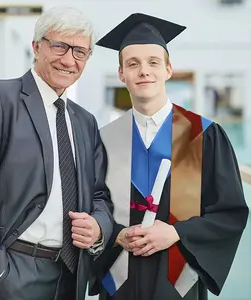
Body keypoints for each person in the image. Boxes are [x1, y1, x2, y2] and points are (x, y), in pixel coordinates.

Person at [0, 6, 113, 300]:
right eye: (59, 46)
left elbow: (99, 194)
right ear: (37, 47)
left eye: (80, 52)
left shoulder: (85, 122)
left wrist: (99, 227)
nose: (68, 60)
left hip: (69, 276)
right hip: (10, 271)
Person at [89, 13, 249, 300]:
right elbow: (91, 206)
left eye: (153, 62)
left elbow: (230, 213)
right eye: (133, 64)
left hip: (178, 282)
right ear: (122, 74)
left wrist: (177, 233)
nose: (143, 71)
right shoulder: (103, 139)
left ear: (168, 69)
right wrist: (115, 234)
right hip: (120, 280)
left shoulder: (203, 135)